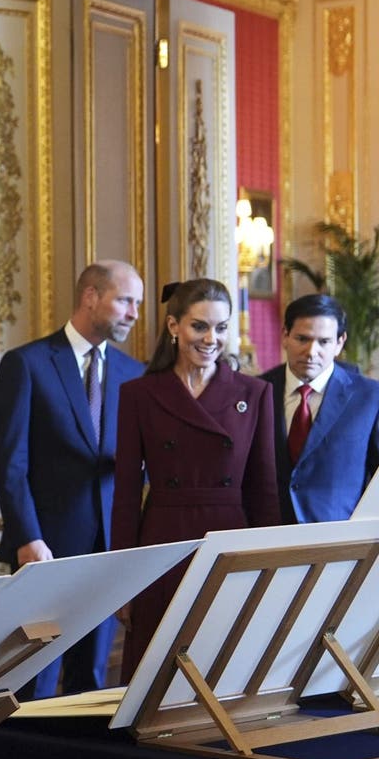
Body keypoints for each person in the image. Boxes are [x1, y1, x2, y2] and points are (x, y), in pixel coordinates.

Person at [0, 261, 145, 698]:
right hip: (44, 548)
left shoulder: (135, 373)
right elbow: (9, 462)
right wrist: (26, 536)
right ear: (90, 296)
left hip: (108, 550)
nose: (134, 313)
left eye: (138, 303)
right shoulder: (27, 364)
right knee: (34, 679)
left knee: (90, 682)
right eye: (125, 300)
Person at [112, 278, 278, 660]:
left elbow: (263, 490)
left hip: (229, 542)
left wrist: (270, 567)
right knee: (157, 664)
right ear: (174, 326)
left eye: (221, 328)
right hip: (162, 543)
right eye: (199, 326)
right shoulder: (138, 394)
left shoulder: (254, 393)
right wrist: (122, 579)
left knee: (222, 660)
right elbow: (124, 494)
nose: (210, 339)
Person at [262, 294, 379, 523]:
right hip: (267, 537)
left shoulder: (370, 397)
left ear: (339, 343)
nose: (311, 351)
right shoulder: (258, 390)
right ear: (285, 336)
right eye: (302, 339)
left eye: (323, 342)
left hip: (339, 541)